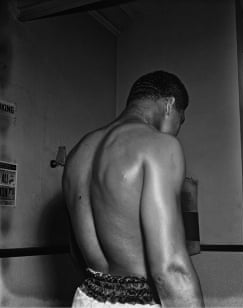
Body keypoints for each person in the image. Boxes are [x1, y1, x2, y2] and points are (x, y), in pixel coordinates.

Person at [62, 70, 204, 308]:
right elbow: (170, 269)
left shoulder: (78, 153)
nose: (178, 129)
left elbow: (76, 252)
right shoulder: (160, 145)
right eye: (181, 120)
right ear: (169, 104)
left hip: (87, 297)